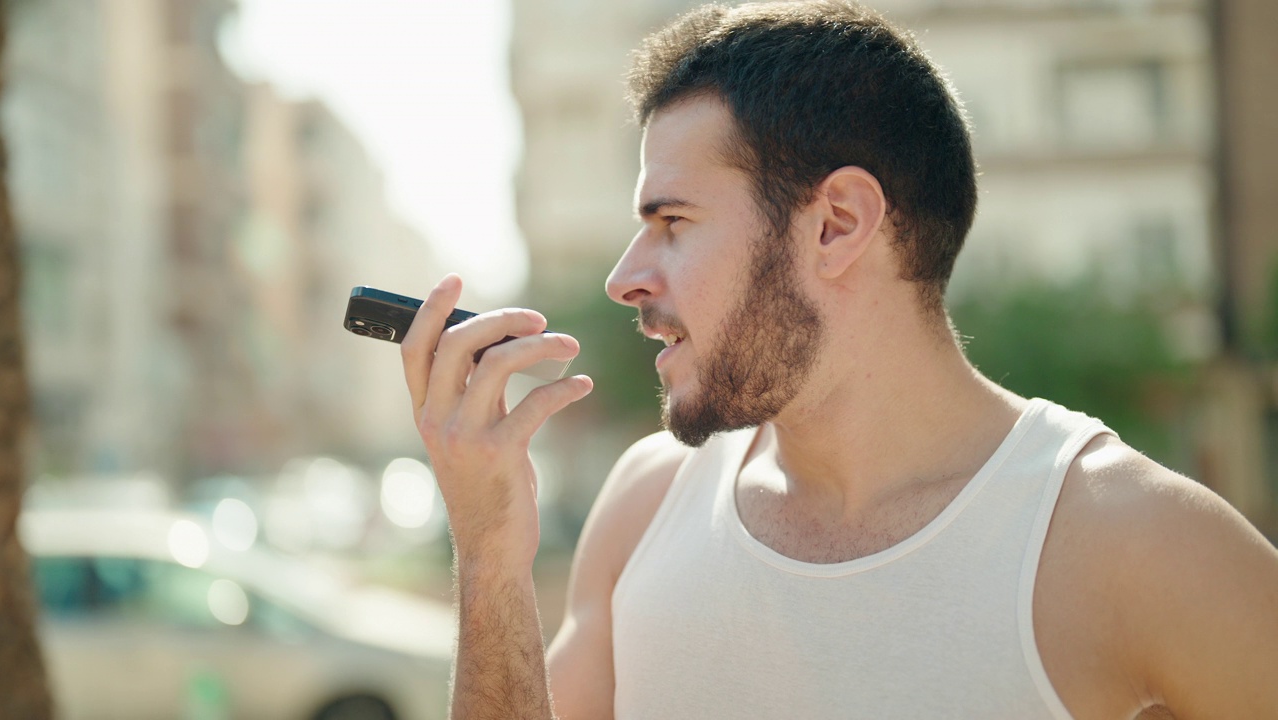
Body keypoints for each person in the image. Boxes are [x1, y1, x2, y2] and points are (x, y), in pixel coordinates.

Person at [399, 1, 1278, 718]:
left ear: (837, 224)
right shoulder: (645, 504)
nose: (625, 277)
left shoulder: (1136, 542)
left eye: (672, 223)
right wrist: (489, 558)